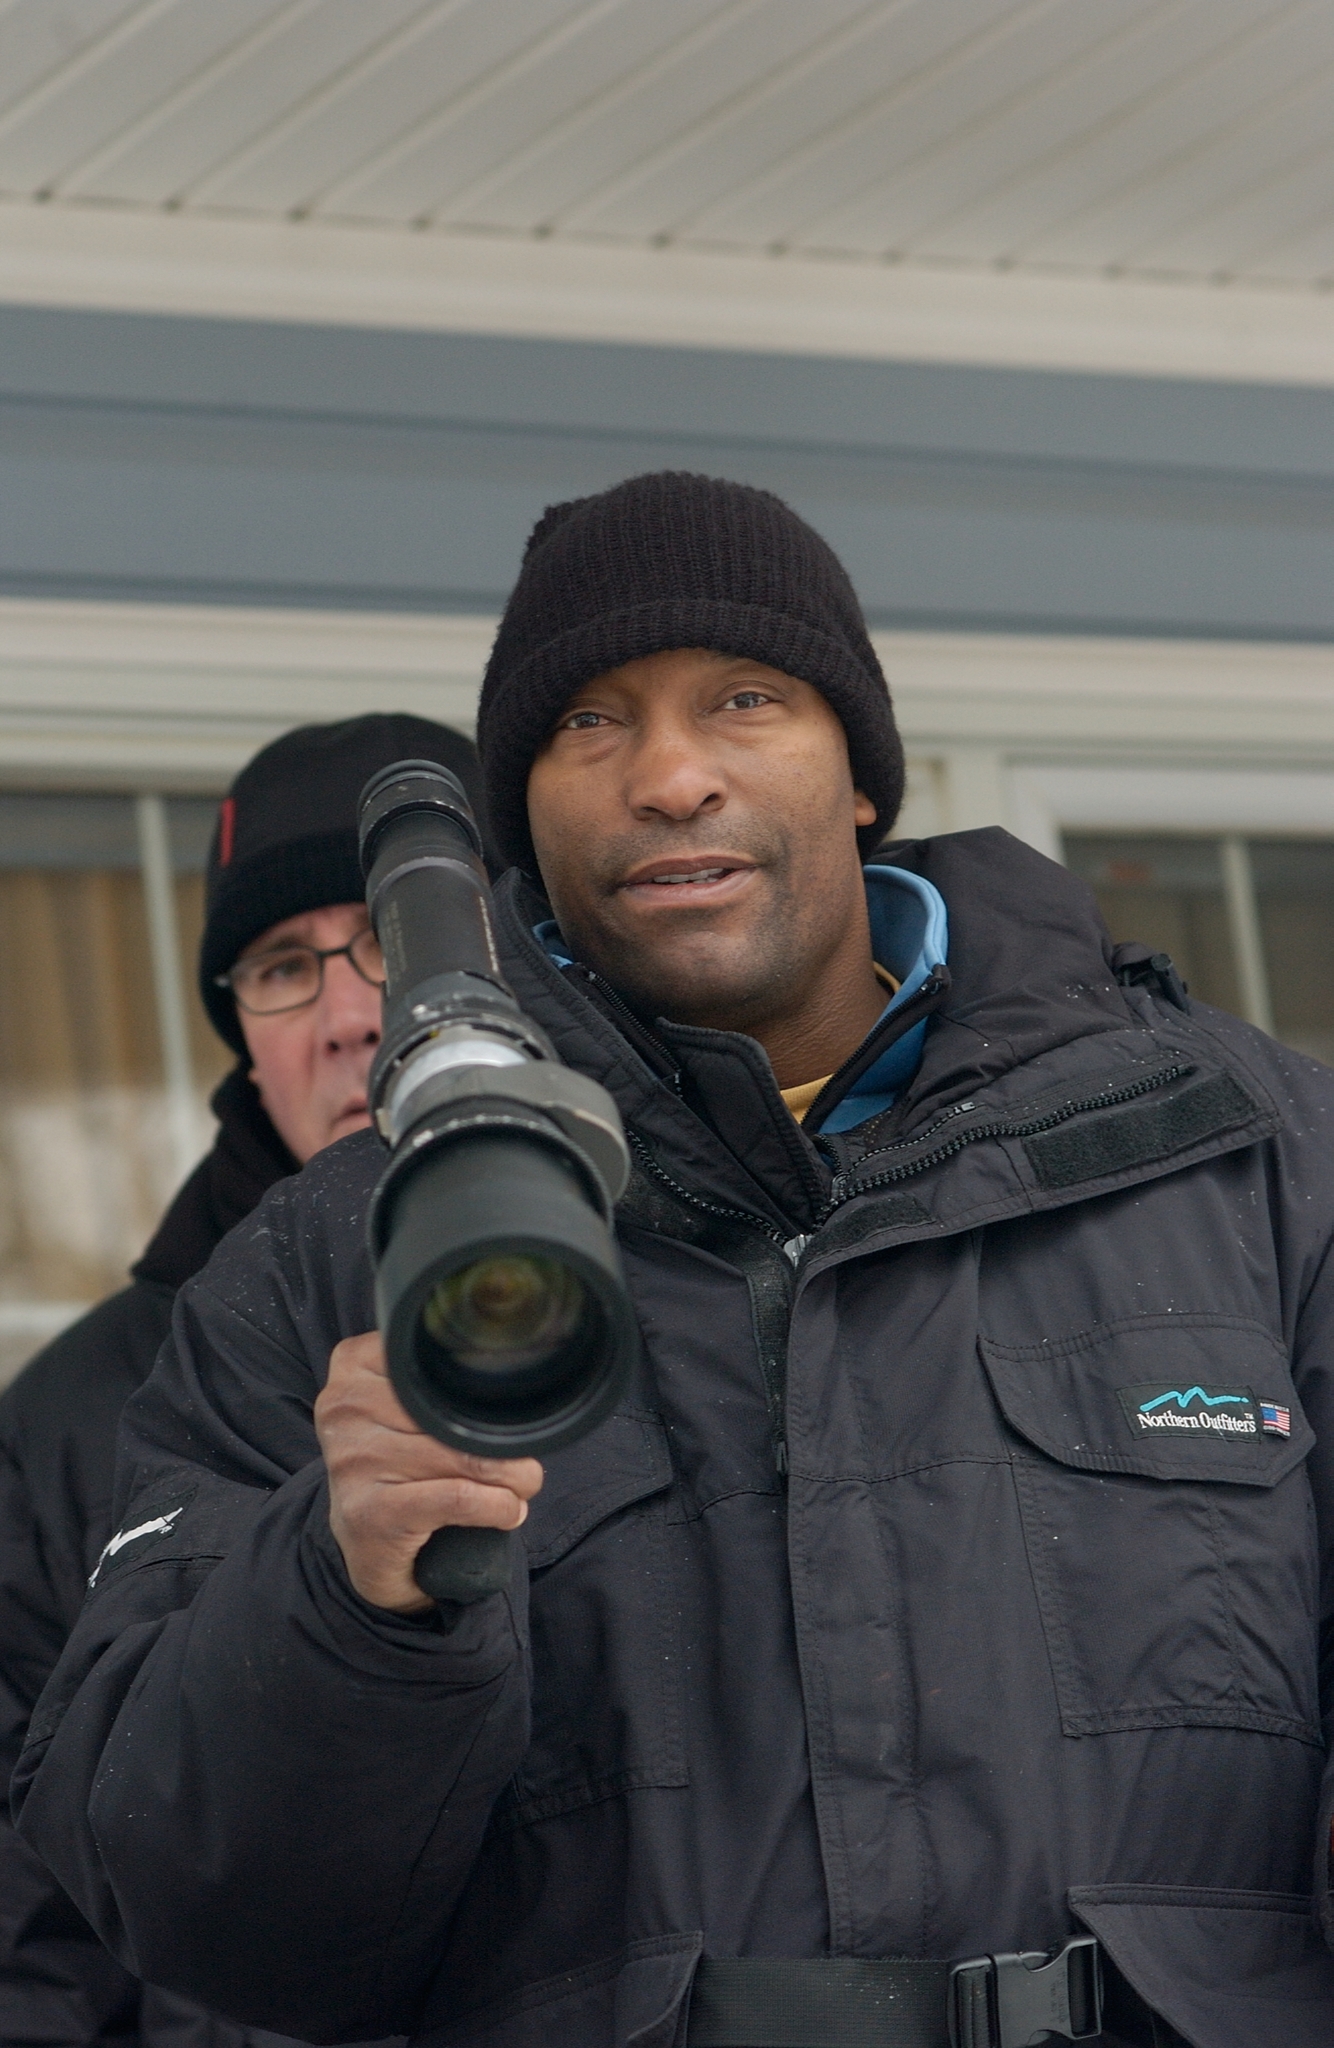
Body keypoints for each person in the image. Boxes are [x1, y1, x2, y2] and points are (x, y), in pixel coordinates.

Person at [14, 473, 1334, 2048]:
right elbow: (190, 1917)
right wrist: (347, 1598)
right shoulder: (322, 1266)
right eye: (588, 724)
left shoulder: (1239, 1152)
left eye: (744, 698)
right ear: (522, 817)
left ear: (857, 771)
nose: (670, 775)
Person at [0, 713, 482, 2048]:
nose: (343, 1016)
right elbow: (25, 1940)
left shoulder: (683, 1296)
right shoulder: (70, 1417)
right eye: (280, 967)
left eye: (389, 939)